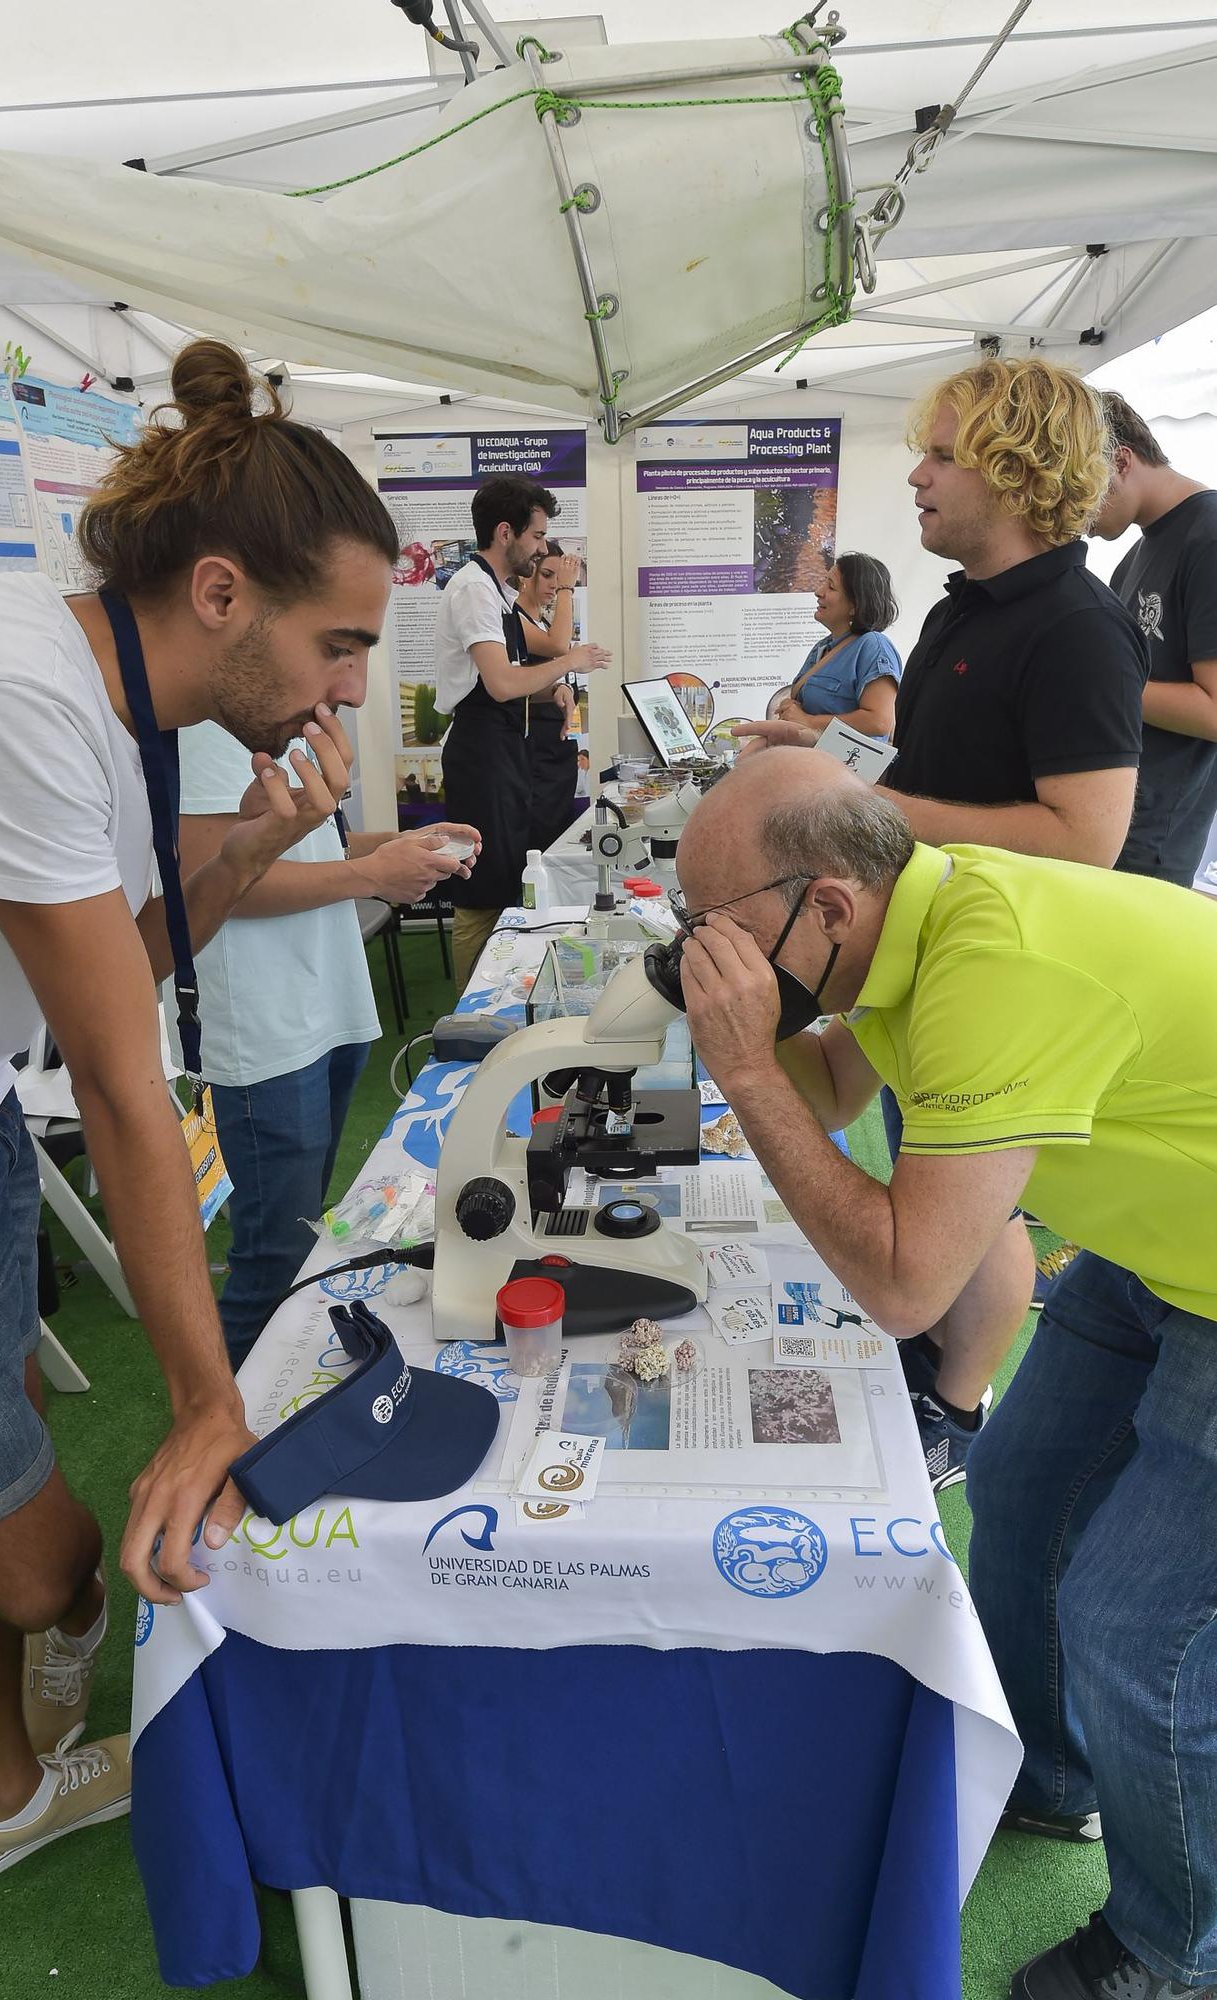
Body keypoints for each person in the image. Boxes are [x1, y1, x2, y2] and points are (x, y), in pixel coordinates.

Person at [0, 338, 395, 1884]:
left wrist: (242, 844)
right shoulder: (1, 684)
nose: (353, 685)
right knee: (34, 1564)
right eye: (341, 641)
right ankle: (69, 1633)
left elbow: (113, 972)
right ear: (224, 593)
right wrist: (201, 1399)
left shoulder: (107, 707)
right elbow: (114, 1079)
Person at [674, 746, 1217, 2000]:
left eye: (716, 929)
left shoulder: (991, 965)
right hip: (1156, 1240)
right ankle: (1048, 1776)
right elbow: (827, 1080)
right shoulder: (901, 917)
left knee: (1139, 1627)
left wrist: (747, 1067)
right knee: (1019, 1496)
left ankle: (1173, 1949)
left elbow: (907, 1281)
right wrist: (722, 1043)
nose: (704, 950)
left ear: (823, 905)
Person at [733, 358, 1149, 1485]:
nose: (914, 474)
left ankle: (949, 1413)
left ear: (1016, 472)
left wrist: (856, 802)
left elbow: (1084, 839)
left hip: (998, 976)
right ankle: (932, 1373)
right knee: (914, 1168)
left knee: (963, 1211)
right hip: (924, 944)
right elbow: (919, 768)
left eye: (942, 454)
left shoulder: (1075, 626)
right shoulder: (968, 610)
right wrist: (822, 764)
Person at [175, 721, 479, 1367]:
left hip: (320, 1009)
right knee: (274, 1259)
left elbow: (318, 849)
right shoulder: (204, 733)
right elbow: (211, 884)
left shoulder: (286, 724)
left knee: (296, 1239)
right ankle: (219, 1433)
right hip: (263, 1030)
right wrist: (370, 872)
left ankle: (244, 1425)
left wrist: (399, 848)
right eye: (338, 646)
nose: (345, 684)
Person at [434, 475, 610, 988]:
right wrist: (568, 663)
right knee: (480, 888)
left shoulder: (496, 592)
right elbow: (502, 682)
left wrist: (550, 686)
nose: (539, 550)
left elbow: (520, 674)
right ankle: (467, 1016)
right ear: (506, 531)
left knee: (507, 875)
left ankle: (502, 992)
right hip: (480, 754)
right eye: (536, 537)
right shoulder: (472, 588)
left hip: (501, 750)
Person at [1093, 390, 1217, 886]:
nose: (1075, 510)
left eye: (1081, 486)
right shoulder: (1136, 553)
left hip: (1154, 840)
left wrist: (1097, 687)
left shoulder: (1208, 536)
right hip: (1114, 817)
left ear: (1121, 460)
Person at [766, 553, 902, 742]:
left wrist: (810, 721)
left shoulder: (873, 645)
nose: (818, 592)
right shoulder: (822, 648)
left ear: (855, 605)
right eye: (824, 582)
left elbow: (879, 721)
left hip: (848, 770)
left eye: (831, 587)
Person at [514, 538, 586, 849]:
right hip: (534, 756)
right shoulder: (514, 619)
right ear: (525, 574)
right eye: (547, 575)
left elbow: (546, 677)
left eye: (559, 577)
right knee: (539, 842)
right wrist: (568, 590)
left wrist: (562, 688)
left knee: (556, 838)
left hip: (556, 752)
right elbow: (558, 648)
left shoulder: (541, 621)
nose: (554, 585)